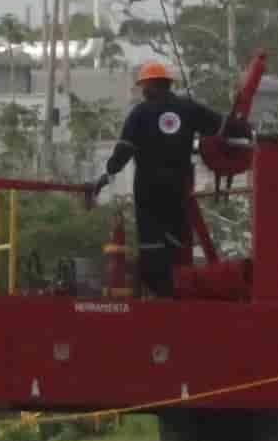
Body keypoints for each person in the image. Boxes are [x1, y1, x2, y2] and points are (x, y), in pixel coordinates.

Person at [92, 62, 223, 298]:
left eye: (144, 85)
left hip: (149, 189)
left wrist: (107, 174)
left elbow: (124, 150)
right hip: (178, 189)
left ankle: (160, 291)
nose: (143, 90)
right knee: (176, 241)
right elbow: (221, 126)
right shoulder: (188, 108)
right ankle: (178, 288)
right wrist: (246, 129)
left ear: (152, 85)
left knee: (151, 244)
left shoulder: (141, 113)